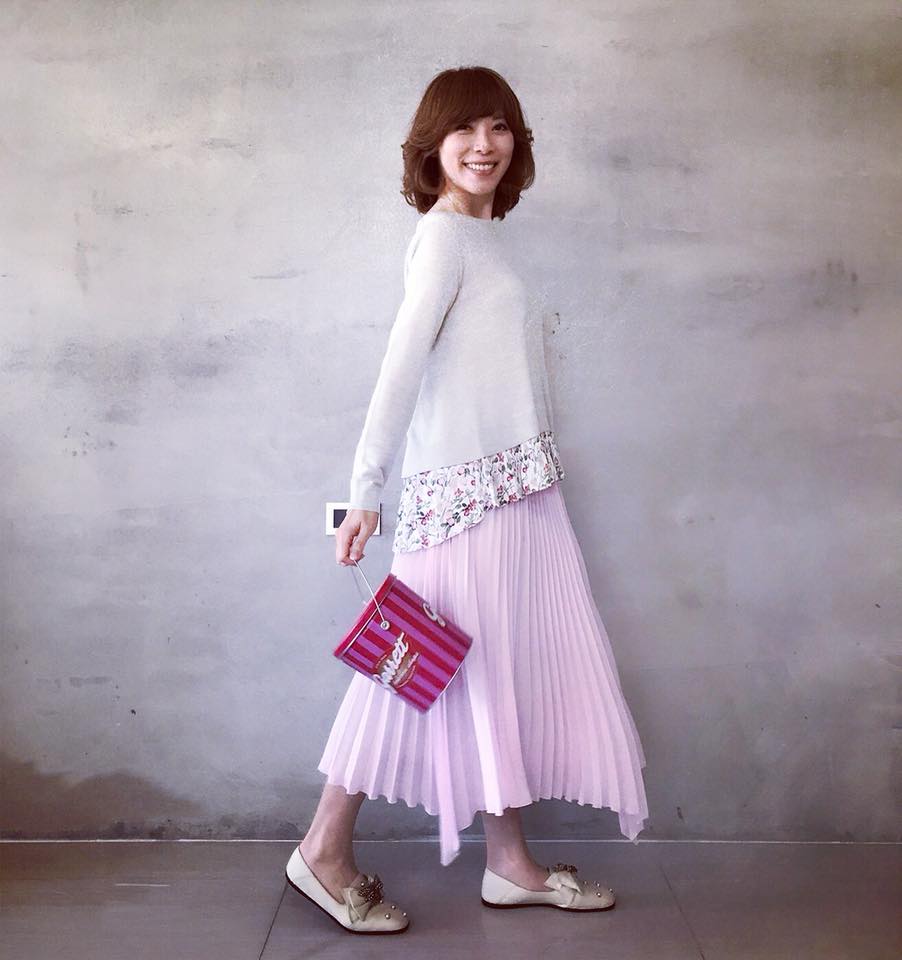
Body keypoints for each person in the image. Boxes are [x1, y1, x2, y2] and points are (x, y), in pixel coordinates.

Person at [284, 65, 649, 934]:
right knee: (408, 666)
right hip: (463, 501)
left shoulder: (491, 240)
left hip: (517, 493)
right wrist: (365, 491)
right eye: (464, 129)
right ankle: (323, 850)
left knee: (493, 671)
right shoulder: (444, 238)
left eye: (499, 127)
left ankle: (510, 864)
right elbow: (399, 370)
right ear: (432, 146)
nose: (484, 145)